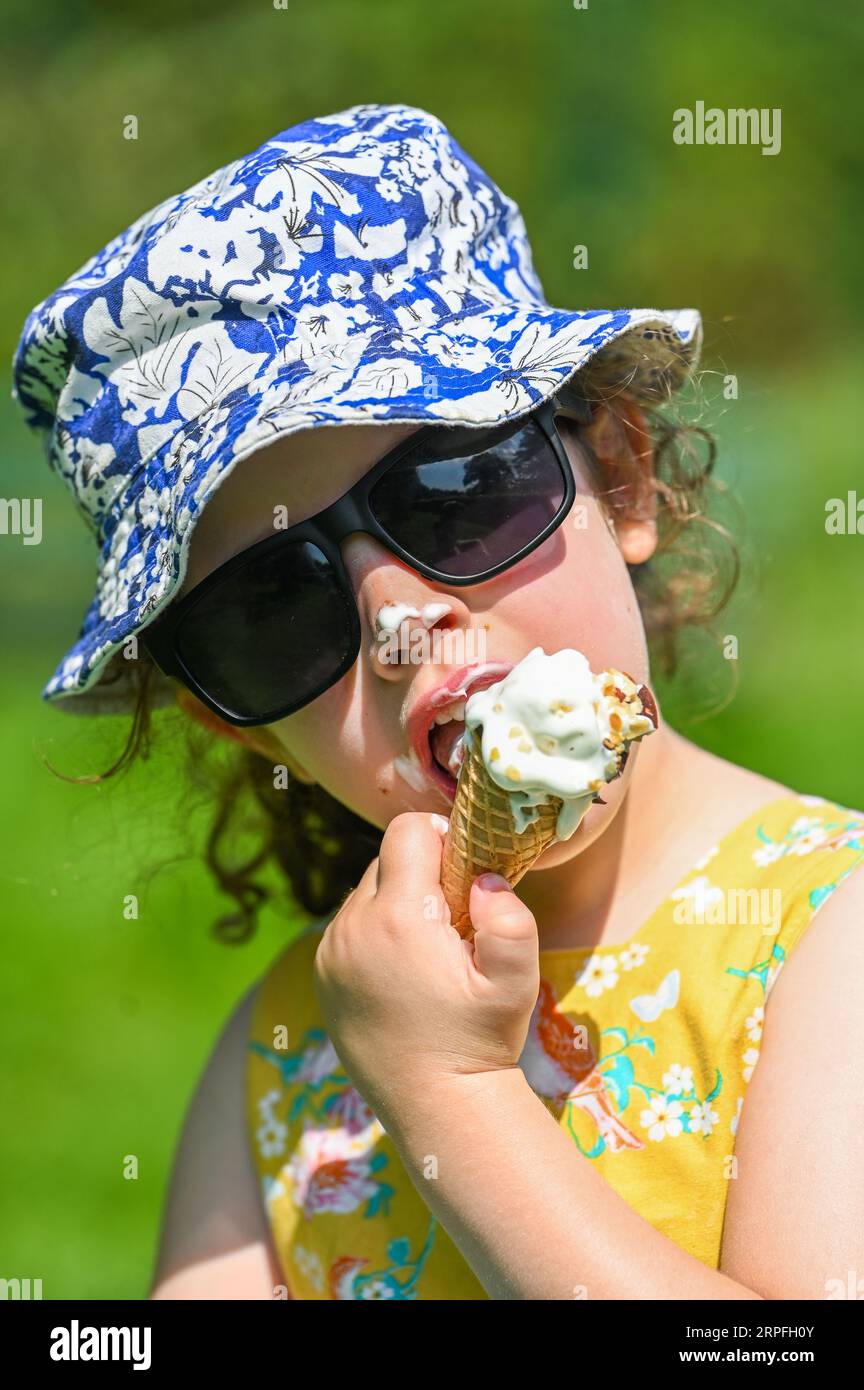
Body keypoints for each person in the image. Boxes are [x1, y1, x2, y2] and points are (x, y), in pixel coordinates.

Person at [13, 104, 864, 1301]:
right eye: (274, 607)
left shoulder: (826, 939)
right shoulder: (292, 1051)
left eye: (456, 493)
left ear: (617, 475)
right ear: (235, 718)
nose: (396, 621)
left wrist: (453, 1102)